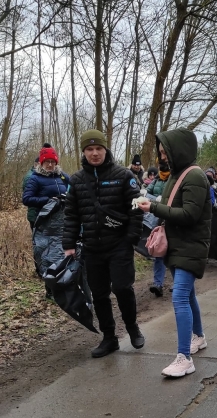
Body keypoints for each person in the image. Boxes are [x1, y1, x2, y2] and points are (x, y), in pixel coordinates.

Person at [136, 128, 212, 378]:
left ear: (177, 150)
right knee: (188, 296)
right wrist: (150, 204)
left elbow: (189, 215)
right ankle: (198, 337)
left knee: (179, 297)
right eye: (160, 152)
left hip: (190, 246)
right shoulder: (176, 175)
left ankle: (184, 358)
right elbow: (171, 207)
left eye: (165, 151)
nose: (162, 156)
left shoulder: (195, 177)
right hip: (178, 245)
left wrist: (154, 207)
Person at [62, 129, 145, 358]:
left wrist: (131, 237)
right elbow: (71, 215)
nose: (95, 153)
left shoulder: (123, 174)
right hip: (92, 247)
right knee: (99, 294)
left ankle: (132, 327)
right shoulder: (76, 180)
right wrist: (68, 243)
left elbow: (137, 206)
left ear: (105, 149)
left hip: (119, 245)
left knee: (122, 288)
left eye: (98, 148)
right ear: (83, 152)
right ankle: (109, 338)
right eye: (89, 149)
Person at [23, 145, 70, 295]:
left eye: (52, 161)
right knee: (46, 255)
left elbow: (74, 187)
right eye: (47, 161)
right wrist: (48, 200)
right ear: (41, 162)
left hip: (62, 222)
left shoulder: (61, 176)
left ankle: (62, 286)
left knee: (62, 253)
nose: (50, 164)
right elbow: (27, 199)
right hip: (44, 224)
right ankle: (50, 290)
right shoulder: (35, 178)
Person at [146, 161, 172, 297]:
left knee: (174, 252)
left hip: (173, 219)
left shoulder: (174, 179)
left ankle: (178, 284)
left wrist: (164, 202)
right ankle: (158, 284)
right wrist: (157, 199)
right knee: (159, 250)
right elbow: (146, 193)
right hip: (158, 219)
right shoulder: (155, 181)